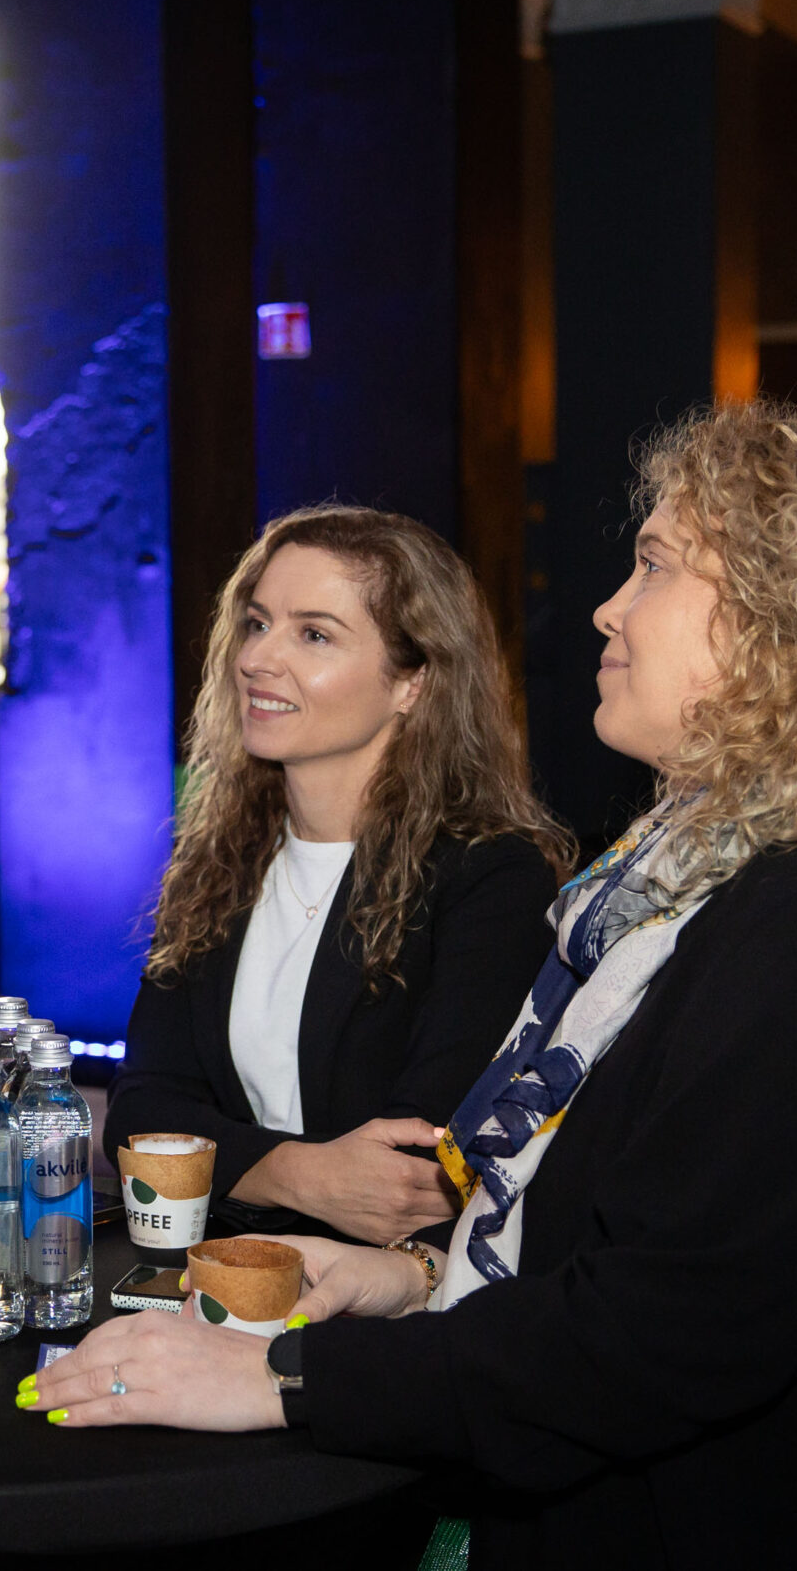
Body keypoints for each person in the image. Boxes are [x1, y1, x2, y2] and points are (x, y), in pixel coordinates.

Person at [22, 402, 797, 1569]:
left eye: (655, 564)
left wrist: (283, 1373)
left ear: (789, 619)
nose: (607, 606)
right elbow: (626, 1239)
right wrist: (411, 1280)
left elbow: (670, 1328)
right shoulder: (702, 891)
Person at [105, 507, 569, 1244]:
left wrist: (224, 1158)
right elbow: (139, 1114)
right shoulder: (222, 858)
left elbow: (413, 1168)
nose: (257, 658)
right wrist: (302, 1173)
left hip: (397, 1292)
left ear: (413, 682)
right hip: (225, 1268)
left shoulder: (493, 877)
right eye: (258, 623)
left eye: (314, 635)